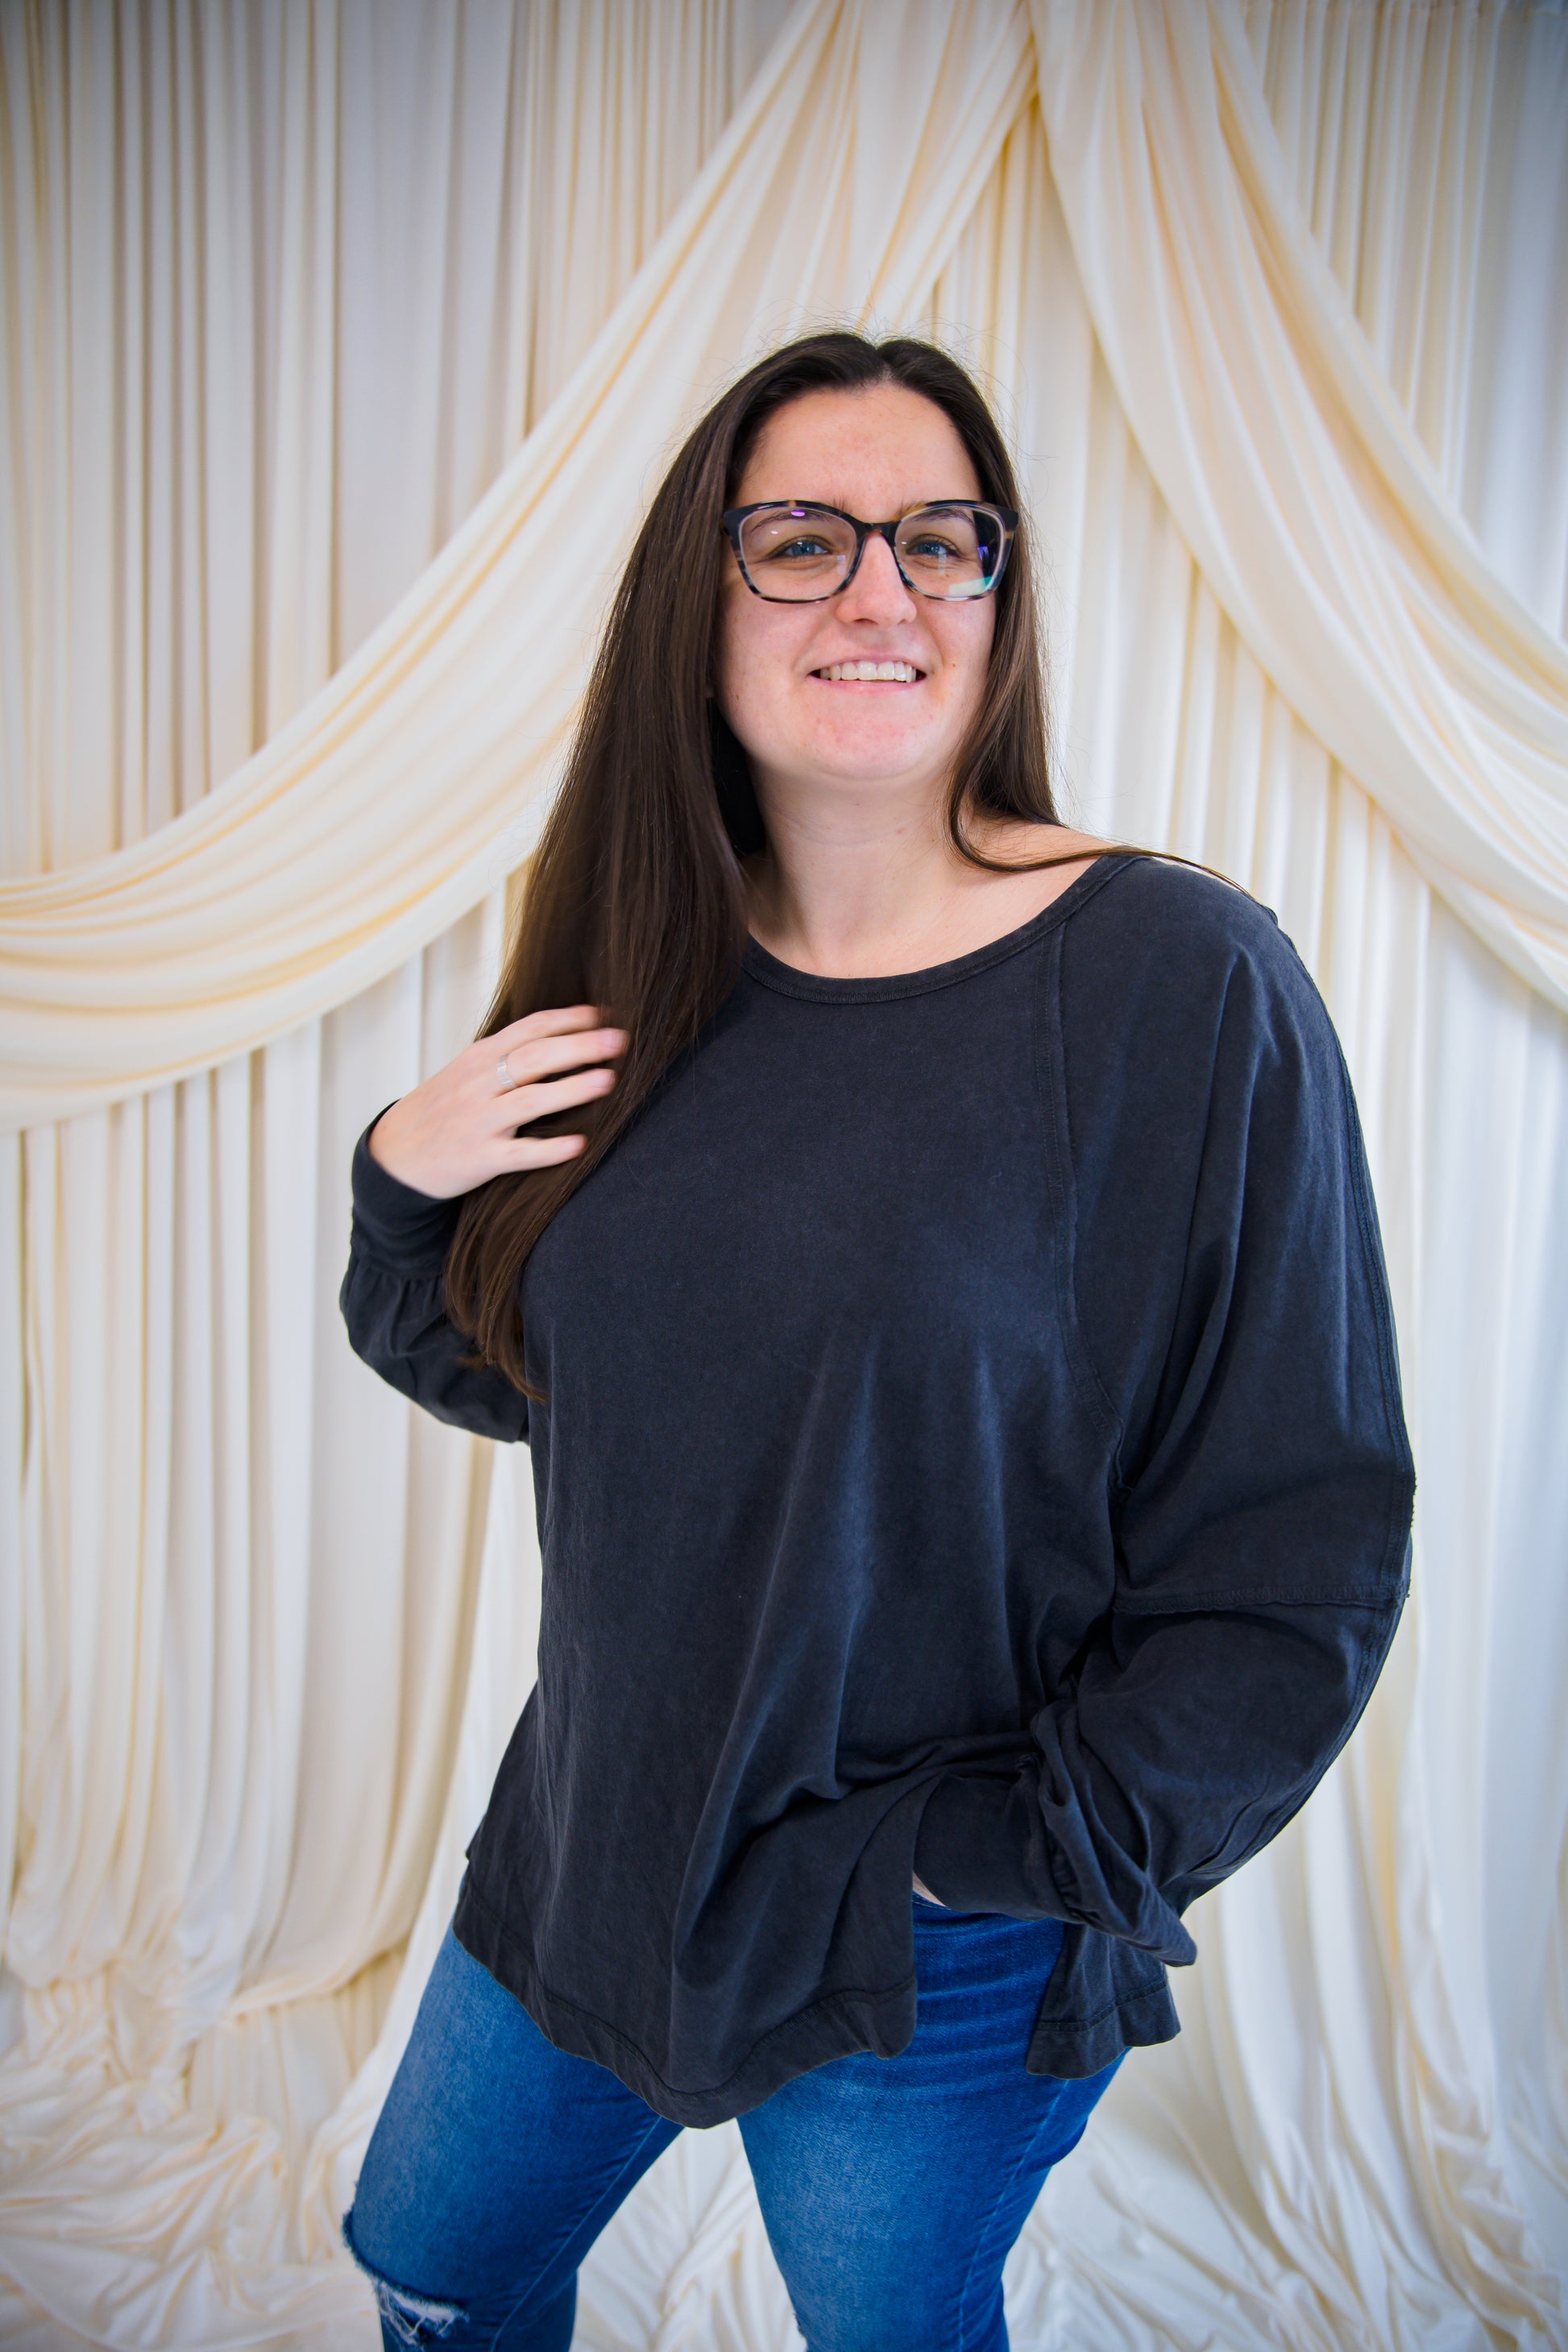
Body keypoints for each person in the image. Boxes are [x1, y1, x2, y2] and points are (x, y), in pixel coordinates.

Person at [338, 331, 1414, 2352]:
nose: (878, 590)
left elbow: (1308, 1547)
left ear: (998, 599)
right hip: (598, 1839)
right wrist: (401, 1176)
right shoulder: (645, 961)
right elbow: (517, 1362)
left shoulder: (1181, 981)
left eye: (938, 537)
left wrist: (996, 1857)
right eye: (801, 539)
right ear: (701, 599)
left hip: (929, 1932)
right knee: (428, 2261)